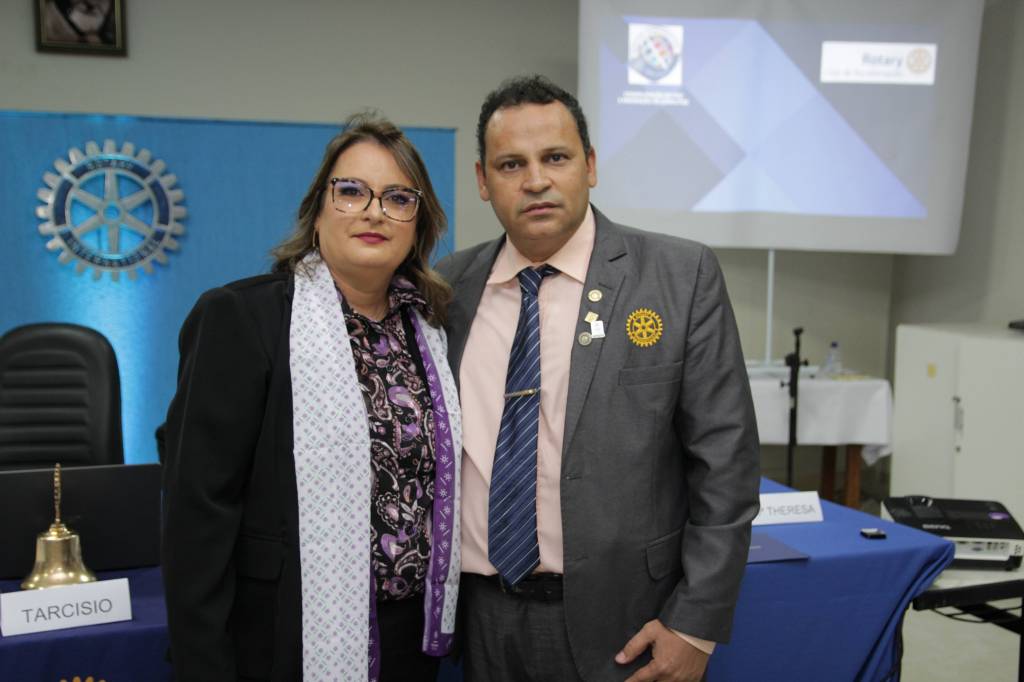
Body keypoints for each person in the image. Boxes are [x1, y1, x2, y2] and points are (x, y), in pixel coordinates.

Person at [437, 75, 760, 681]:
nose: (536, 180)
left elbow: (727, 465)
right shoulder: (449, 288)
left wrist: (695, 624)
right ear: (483, 180)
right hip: (481, 619)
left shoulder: (679, 275)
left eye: (555, 157)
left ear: (589, 165)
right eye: (511, 164)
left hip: (629, 625)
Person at [160, 113, 462, 682]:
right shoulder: (244, 317)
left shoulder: (431, 330)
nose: (374, 212)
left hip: (409, 640)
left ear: (418, 225)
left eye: (398, 198)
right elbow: (197, 513)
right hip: (280, 636)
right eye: (351, 191)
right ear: (317, 210)